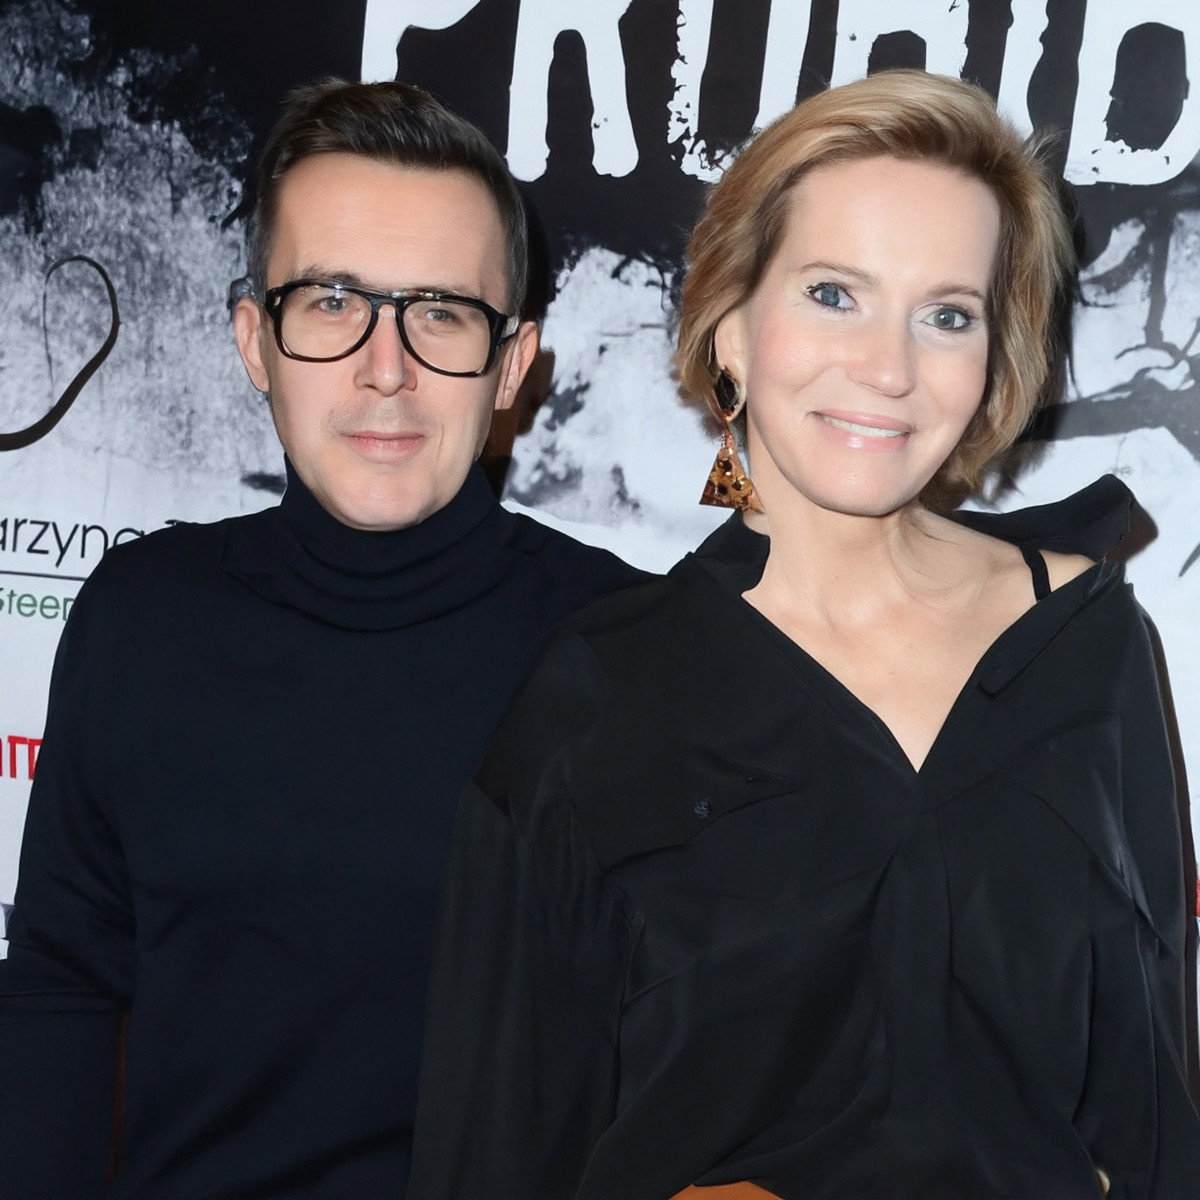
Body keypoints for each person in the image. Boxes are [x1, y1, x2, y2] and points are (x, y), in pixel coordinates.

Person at [408, 70, 1200, 1199]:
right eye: (835, 294)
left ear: (993, 358)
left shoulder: (1085, 640)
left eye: (947, 315)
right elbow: (493, 1156)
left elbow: (1151, 1113)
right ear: (731, 329)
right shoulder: (597, 695)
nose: (888, 368)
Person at [0, 79, 642, 1199]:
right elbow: (62, 987)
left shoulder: (631, 647)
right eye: (333, 300)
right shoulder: (140, 617)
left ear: (512, 363)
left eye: (441, 312)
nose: (385, 368)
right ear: (256, 341)